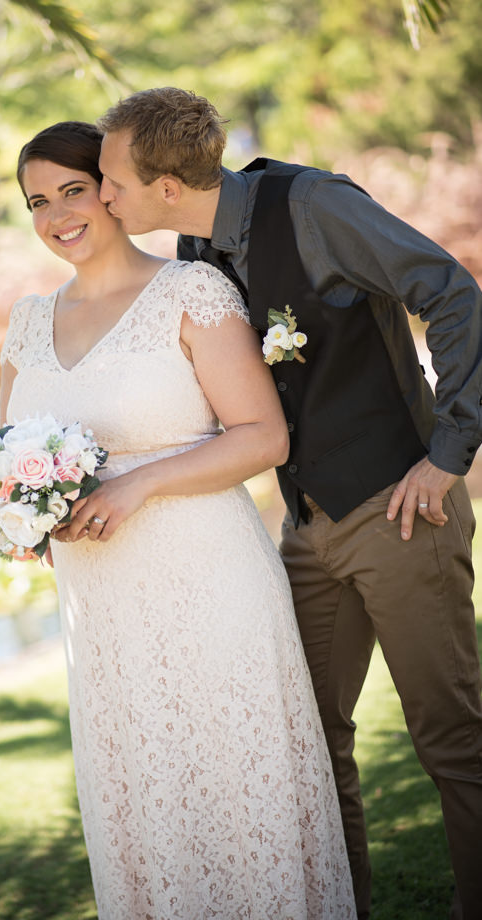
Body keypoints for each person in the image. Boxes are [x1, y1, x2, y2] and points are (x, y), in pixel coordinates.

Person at [96, 87, 482, 920]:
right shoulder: (194, 249)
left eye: (111, 181)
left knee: (453, 742)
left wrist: (449, 455)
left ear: (165, 184)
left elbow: (451, 292)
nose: (102, 196)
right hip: (305, 533)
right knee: (308, 746)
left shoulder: (314, 205)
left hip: (401, 512)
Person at [0, 120, 356, 918]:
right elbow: (10, 452)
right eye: (36, 202)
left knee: (233, 782)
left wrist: (141, 485)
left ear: (113, 190)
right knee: (146, 797)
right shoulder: (25, 321)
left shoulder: (189, 292)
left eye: (74, 191)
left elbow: (264, 435)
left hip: (207, 579)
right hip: (102, 607)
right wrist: (19, 515)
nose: (57, 214)